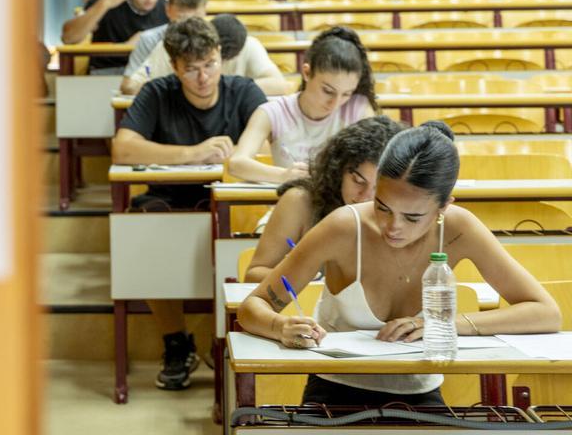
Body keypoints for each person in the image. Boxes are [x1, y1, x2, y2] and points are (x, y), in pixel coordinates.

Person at [238, 121, 561, 407]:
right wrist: (280, 327)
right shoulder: (343, 226)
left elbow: (545, 312)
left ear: (444, 207)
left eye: (413, 217)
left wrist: (443, 324)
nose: (393, 227)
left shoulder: (460, 228)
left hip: (421, 393)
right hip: (334, 391)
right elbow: (252, 307)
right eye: (382, 207)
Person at [113, 17, 267, 390]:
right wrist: (192, 153)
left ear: (221, 56)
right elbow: (123, 148)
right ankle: (176, 341)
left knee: (253, 237)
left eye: (210, 64)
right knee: (144, 232)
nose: (203, 77)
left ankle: (228, 336)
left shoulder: (243, 91)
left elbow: (269, 144)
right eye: (191, 69)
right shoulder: (157, 93)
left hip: (233, 200)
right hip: (168, 199)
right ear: (174, 66)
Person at [244, 116, 404, 283]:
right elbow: (253, 275)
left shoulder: (406, 214)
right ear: (338, 170)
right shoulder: (300, 201)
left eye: (379, 187)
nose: (365, 197)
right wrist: (300, 277)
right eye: (357, 181)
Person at [227, 27, 377, 185]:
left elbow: (378, 162)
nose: (335, 103)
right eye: (328, 91)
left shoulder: (359, 108)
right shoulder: (273, 112)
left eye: (347, 94)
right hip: (291, 197)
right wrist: (283, 175)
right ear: (307, 73)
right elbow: (236, 164)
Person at [120, 0, 287, 97]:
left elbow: (279, 85)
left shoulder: (246, 44)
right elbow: (130, 86)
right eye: (182, 19)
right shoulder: (167, 48)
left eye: (196, 19)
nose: (188, 27)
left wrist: (225, 87)